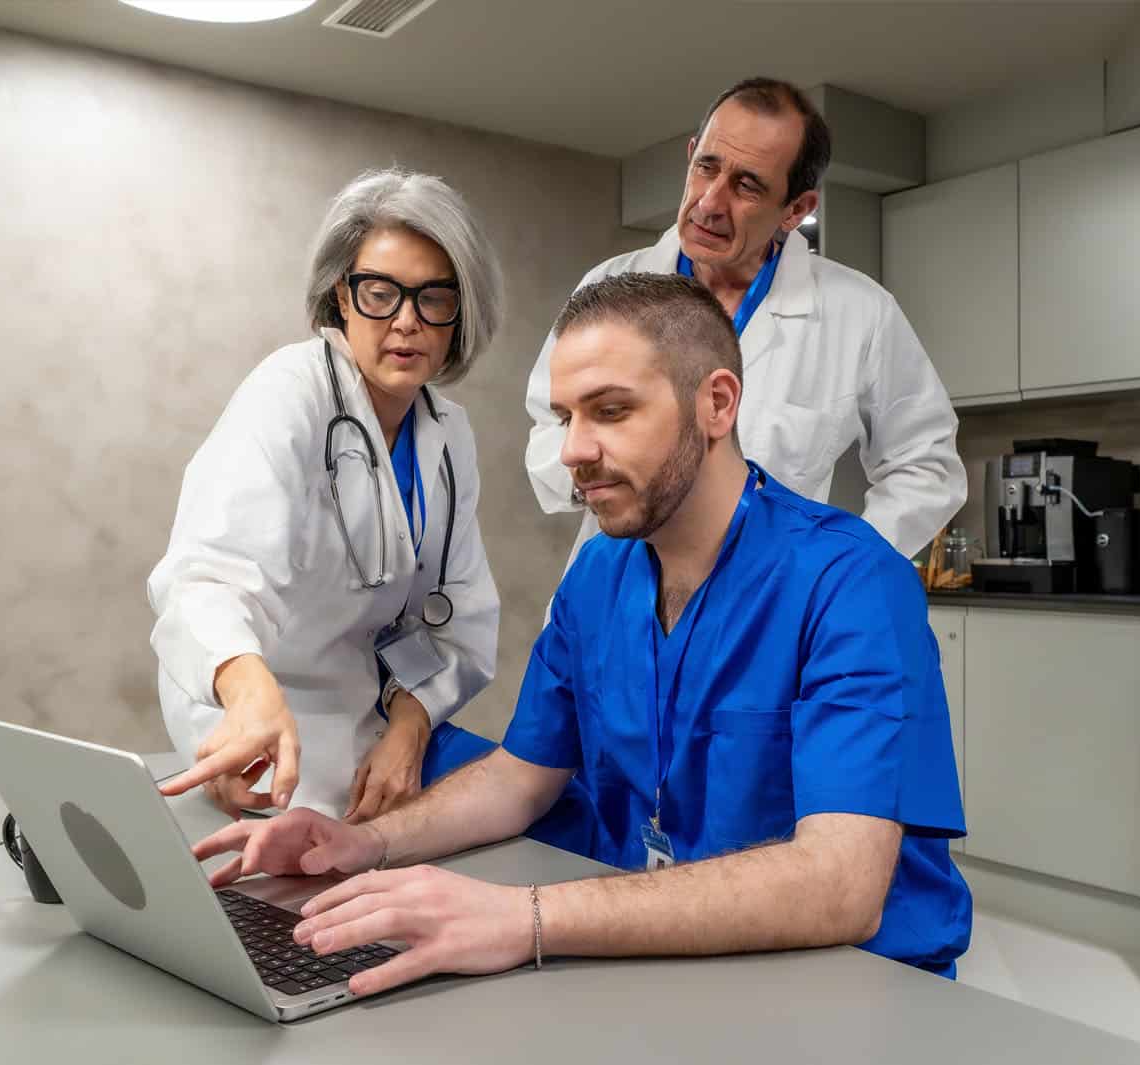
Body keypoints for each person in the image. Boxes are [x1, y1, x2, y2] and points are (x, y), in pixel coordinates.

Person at [190, 273, 972, 996]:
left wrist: (524, 917)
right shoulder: (599, 576)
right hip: (670, 960)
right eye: (566, 417)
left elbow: (839, 883)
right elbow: (518, 779)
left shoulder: (851, 582)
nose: (572, 451)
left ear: (717, 403)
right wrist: (368, 842)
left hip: (847, 986)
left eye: (610, 410)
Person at [148, 168, 504, 823]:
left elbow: (457, 622)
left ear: (460, 312)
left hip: (372, 711)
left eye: (433, 298)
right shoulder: (289, 392)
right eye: (379, 293)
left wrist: (411, 724)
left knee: (549, 812)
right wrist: (248, 694)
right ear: (341, 298)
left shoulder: (448, 435)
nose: (406, 321)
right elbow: (207, 577)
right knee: (303, 886)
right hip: (254, 716)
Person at [525, 76, 966, 563]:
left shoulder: (859, 312)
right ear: (691, 154)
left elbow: (926, 466)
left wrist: (840, 568)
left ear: (796, 209)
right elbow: (549, 425)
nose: (711, 203)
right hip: (615, 583)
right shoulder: (611, 286)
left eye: (747, 186)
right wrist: (608, 479)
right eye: (706, 167)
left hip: (767, 596)